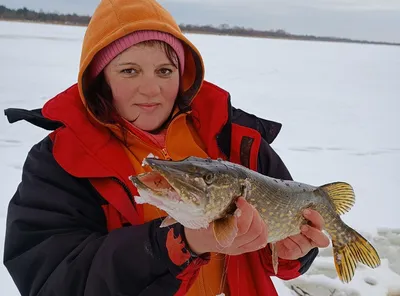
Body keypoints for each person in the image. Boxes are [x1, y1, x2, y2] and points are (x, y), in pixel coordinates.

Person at [3, 0, 330, 295]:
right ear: (100, 78)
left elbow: (280, 227)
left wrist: (290, 254)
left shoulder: (235, 138)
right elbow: (53, 281)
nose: (151, 88)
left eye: (165, 70)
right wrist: (178, 243)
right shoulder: (59, 160)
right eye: (129, 70)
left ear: (182, 74)